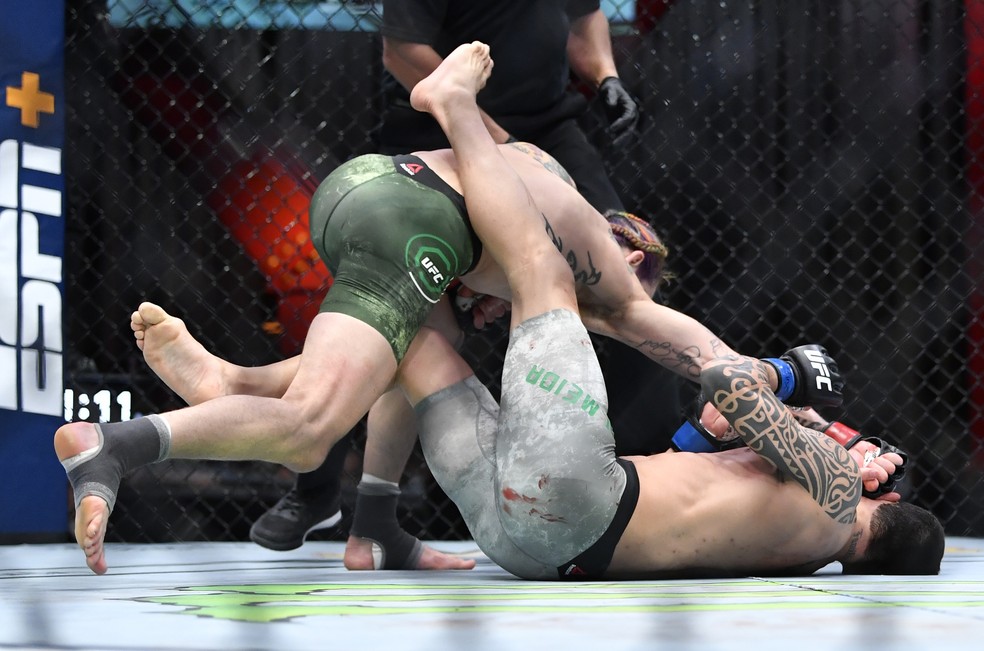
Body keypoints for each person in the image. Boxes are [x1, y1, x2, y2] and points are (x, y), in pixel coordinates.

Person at [127, 45, 944, 578]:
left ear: (889, 509)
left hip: (583, 494)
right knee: (416, 336)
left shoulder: (836, 491)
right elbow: (707, 439)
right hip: (526, 543)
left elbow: (725, 395)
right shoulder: (800, 548)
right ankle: (237, 383)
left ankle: (449, 106)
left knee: (542, 274)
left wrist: (778, 379)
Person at [253, 0, 681, 555]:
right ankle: (319, 491)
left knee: (625, 279)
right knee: (398, 320)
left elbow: (582, 19)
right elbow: (403, 53)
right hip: (435, 135)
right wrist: (493, 144)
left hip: (547, 129)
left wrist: (605, 77)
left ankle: (660, 464)